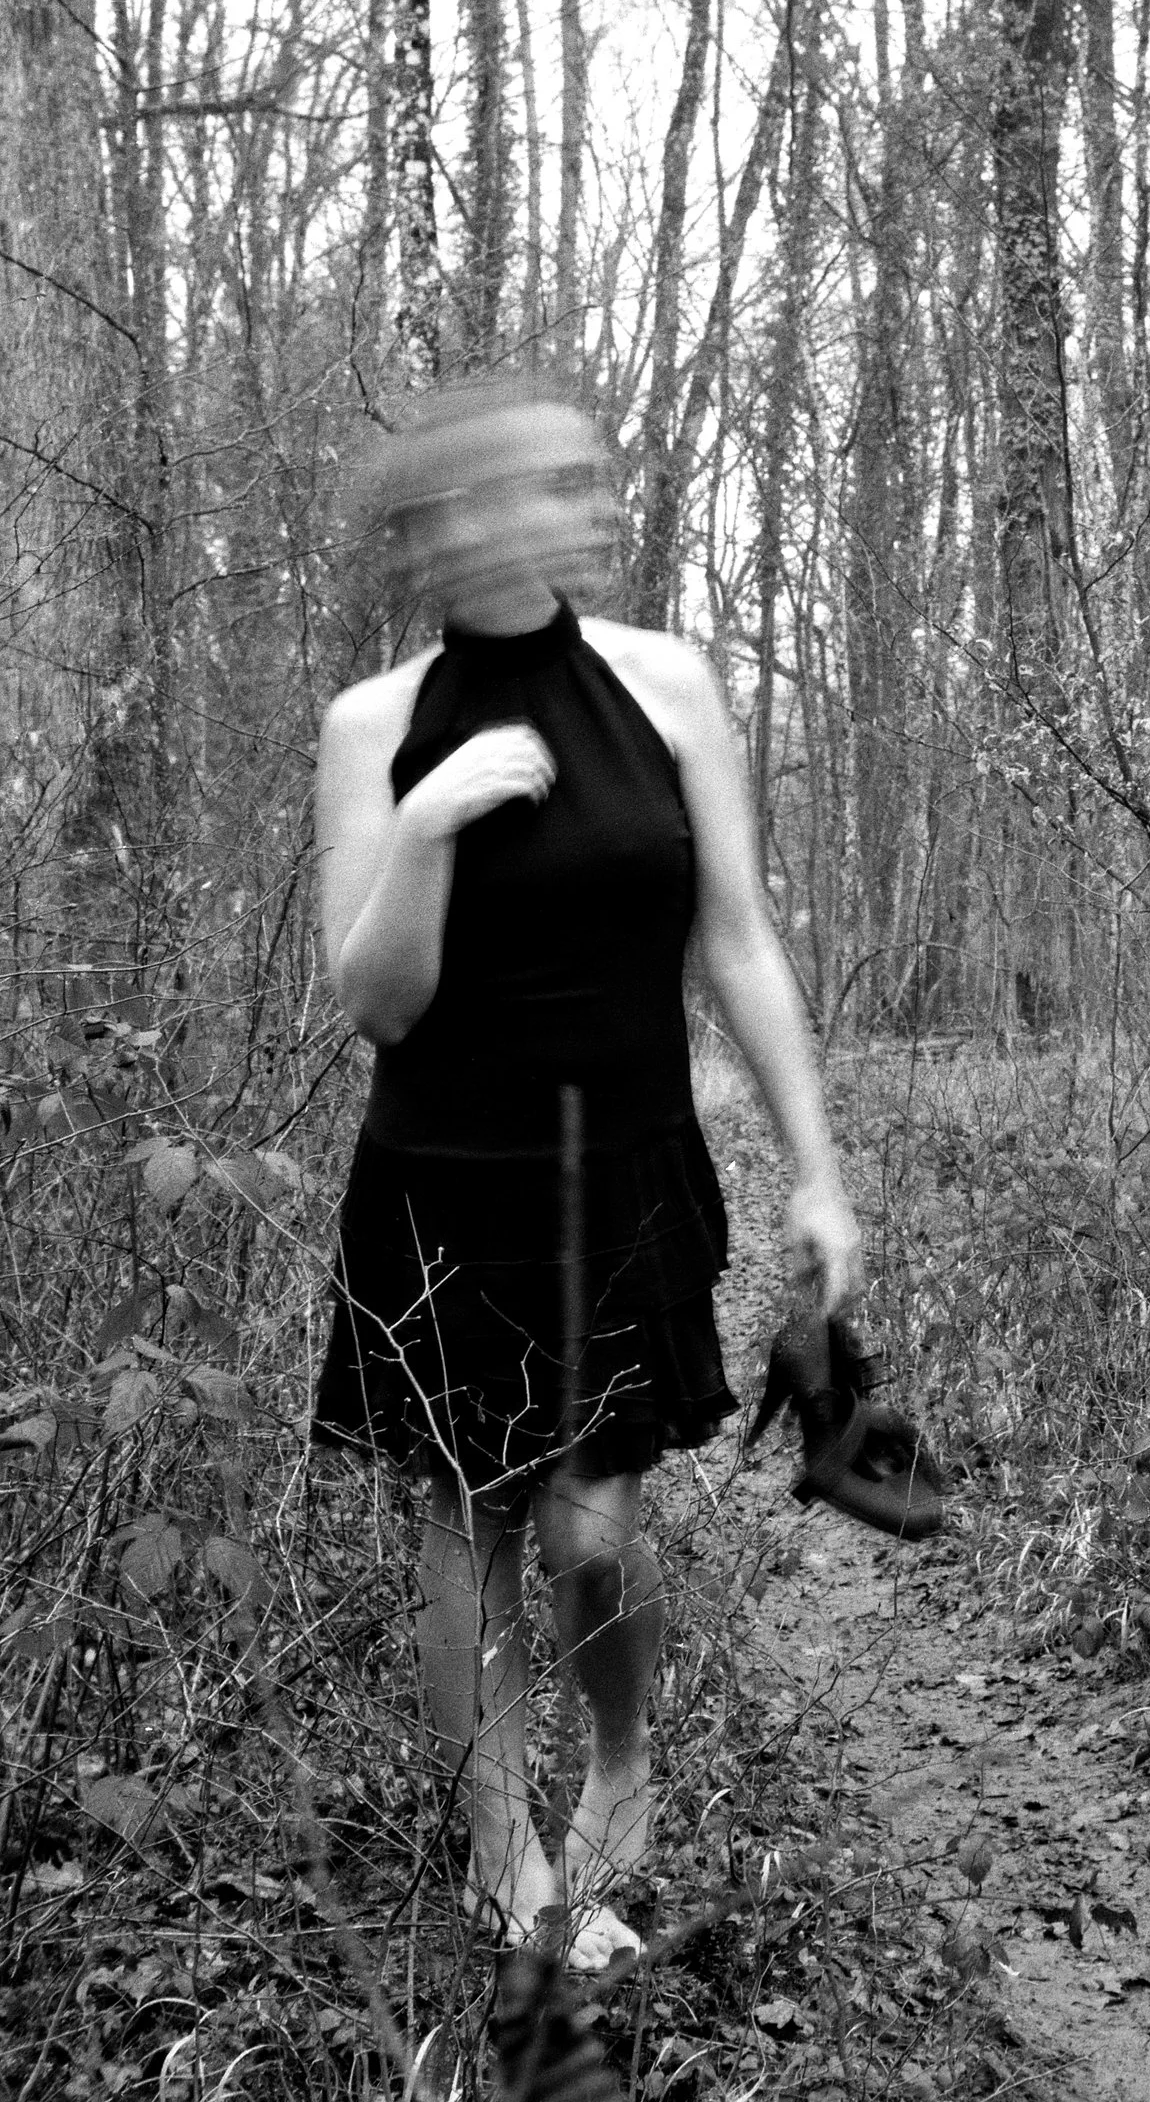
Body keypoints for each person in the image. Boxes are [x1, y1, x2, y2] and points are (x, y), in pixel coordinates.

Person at [310, 378, 861, 1968]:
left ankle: (619, 1760)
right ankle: (499, 1848)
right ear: (454, 523)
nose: (600, 501)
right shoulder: (373, 724)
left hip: (624, 1172)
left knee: (591, 1527)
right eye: (558, 480)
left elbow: (738, 939)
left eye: (596, 475)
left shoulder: (671, 686)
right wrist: (426, 826)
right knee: (468, 1519)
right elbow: (379, 1003)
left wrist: (818, 1171)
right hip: (443, 1186)